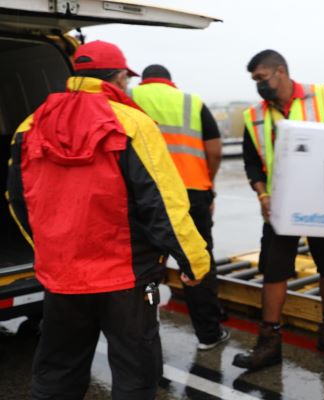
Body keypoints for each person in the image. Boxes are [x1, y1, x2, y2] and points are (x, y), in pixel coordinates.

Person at [6, 40, 210, 400]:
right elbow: (163, 203)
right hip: (125, 278)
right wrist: (193, 260)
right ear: (117, 78)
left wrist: (49, 248)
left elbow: (18, 200)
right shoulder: (133, 123)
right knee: (135, 375)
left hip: (63, 278)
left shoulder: (30, 124)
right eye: (125, 79)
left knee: (57, 374)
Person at [233, 49, 324, 371]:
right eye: (255, 80)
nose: (258, 85)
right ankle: (268, 343)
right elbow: (251, 163)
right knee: (274, 270)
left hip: (323, 201)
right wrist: (262, 196)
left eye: (262, 78)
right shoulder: (253, 117)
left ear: (281, 72)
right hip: (280, 205)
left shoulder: (322, 97)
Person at [131, 64, 229, 350]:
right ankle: (208, 334)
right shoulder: (191, 102)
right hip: (192, 193)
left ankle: (148, 330)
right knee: (198, 263)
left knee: (147, 269)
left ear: (144, 80)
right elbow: (214, 151)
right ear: (169, 82)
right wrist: (208, 188)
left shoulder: (128, 99)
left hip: (146, 195)